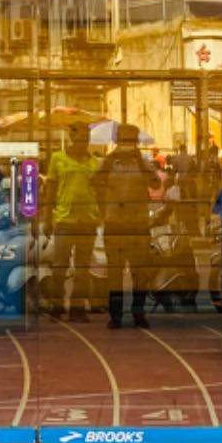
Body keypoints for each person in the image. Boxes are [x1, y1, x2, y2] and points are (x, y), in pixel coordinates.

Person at [94, 123, 157, 329]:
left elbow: (155, 183)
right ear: (117, 141)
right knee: (115, 273)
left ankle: (138, 313)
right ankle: (116, 316)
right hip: (115, 224)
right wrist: (111, 157)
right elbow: (94, 181)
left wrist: (140, 161)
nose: (128, 145)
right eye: (124, 140)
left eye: (131, 141)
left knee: (140, 274)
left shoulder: (143, 162)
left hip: (139, 225)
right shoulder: (109, 162)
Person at [45, 122, 100, 322]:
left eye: (86, 138)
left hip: (88, 221)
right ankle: (56, 306)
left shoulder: (95, 163)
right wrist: (47, 218)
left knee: (83, 268)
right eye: (80, 137)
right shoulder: (57, 159)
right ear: (71, 137)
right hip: (64, 220)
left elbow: (101, 192)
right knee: (59, 266)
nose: (83, 141)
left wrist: (101, 215)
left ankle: (78, 309)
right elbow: (51, 190)